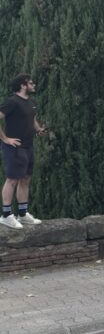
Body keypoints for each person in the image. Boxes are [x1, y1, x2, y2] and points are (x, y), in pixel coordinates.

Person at [0, 74, 46, 229]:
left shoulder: (31, 102)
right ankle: (6, 215)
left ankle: (22, 214)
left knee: (25, 179)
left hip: (28, 146)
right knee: (12, 180)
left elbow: (32, 119)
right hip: (14, 147)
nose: (34, 85)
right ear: (22, 85)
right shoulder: (12, 102)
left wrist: (38, 129)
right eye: (31, 83)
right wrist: (5, 139)